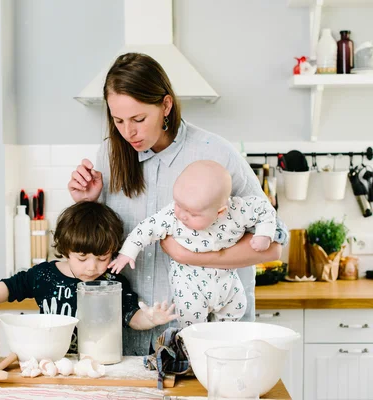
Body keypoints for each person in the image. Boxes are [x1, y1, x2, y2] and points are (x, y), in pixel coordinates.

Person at [67, 52, 288, 355]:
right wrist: (88, 205)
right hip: (126, 340)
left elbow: (275, 244)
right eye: (118, 120)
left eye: (139, 119)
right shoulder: (110, 154)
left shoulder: (216, 154)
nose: (128, 131)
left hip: (206, 340)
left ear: (166, 105)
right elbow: (103, 245)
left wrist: (190, 255)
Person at [0, 201, 178, 353]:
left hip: (98, 364)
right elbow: (11, 287)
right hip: (51, 360)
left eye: (102, 258)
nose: (92, 267)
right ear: (66, 249)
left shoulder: (113, 282)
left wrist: (150, 319)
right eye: (82, 258)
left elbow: (130, 315)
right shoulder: (46, 275)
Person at [108, 160, 277, 326]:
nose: (182, 215)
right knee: (191, 325)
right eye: (178, 204)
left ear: (220, 212)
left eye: (192, 213)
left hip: (226, 280)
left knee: (235, 310)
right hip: (189, 283)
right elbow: (146, 228)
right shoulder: (172, 216)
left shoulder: (238, 211)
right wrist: (127, 252)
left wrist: (264, 233)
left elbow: (264, 208)